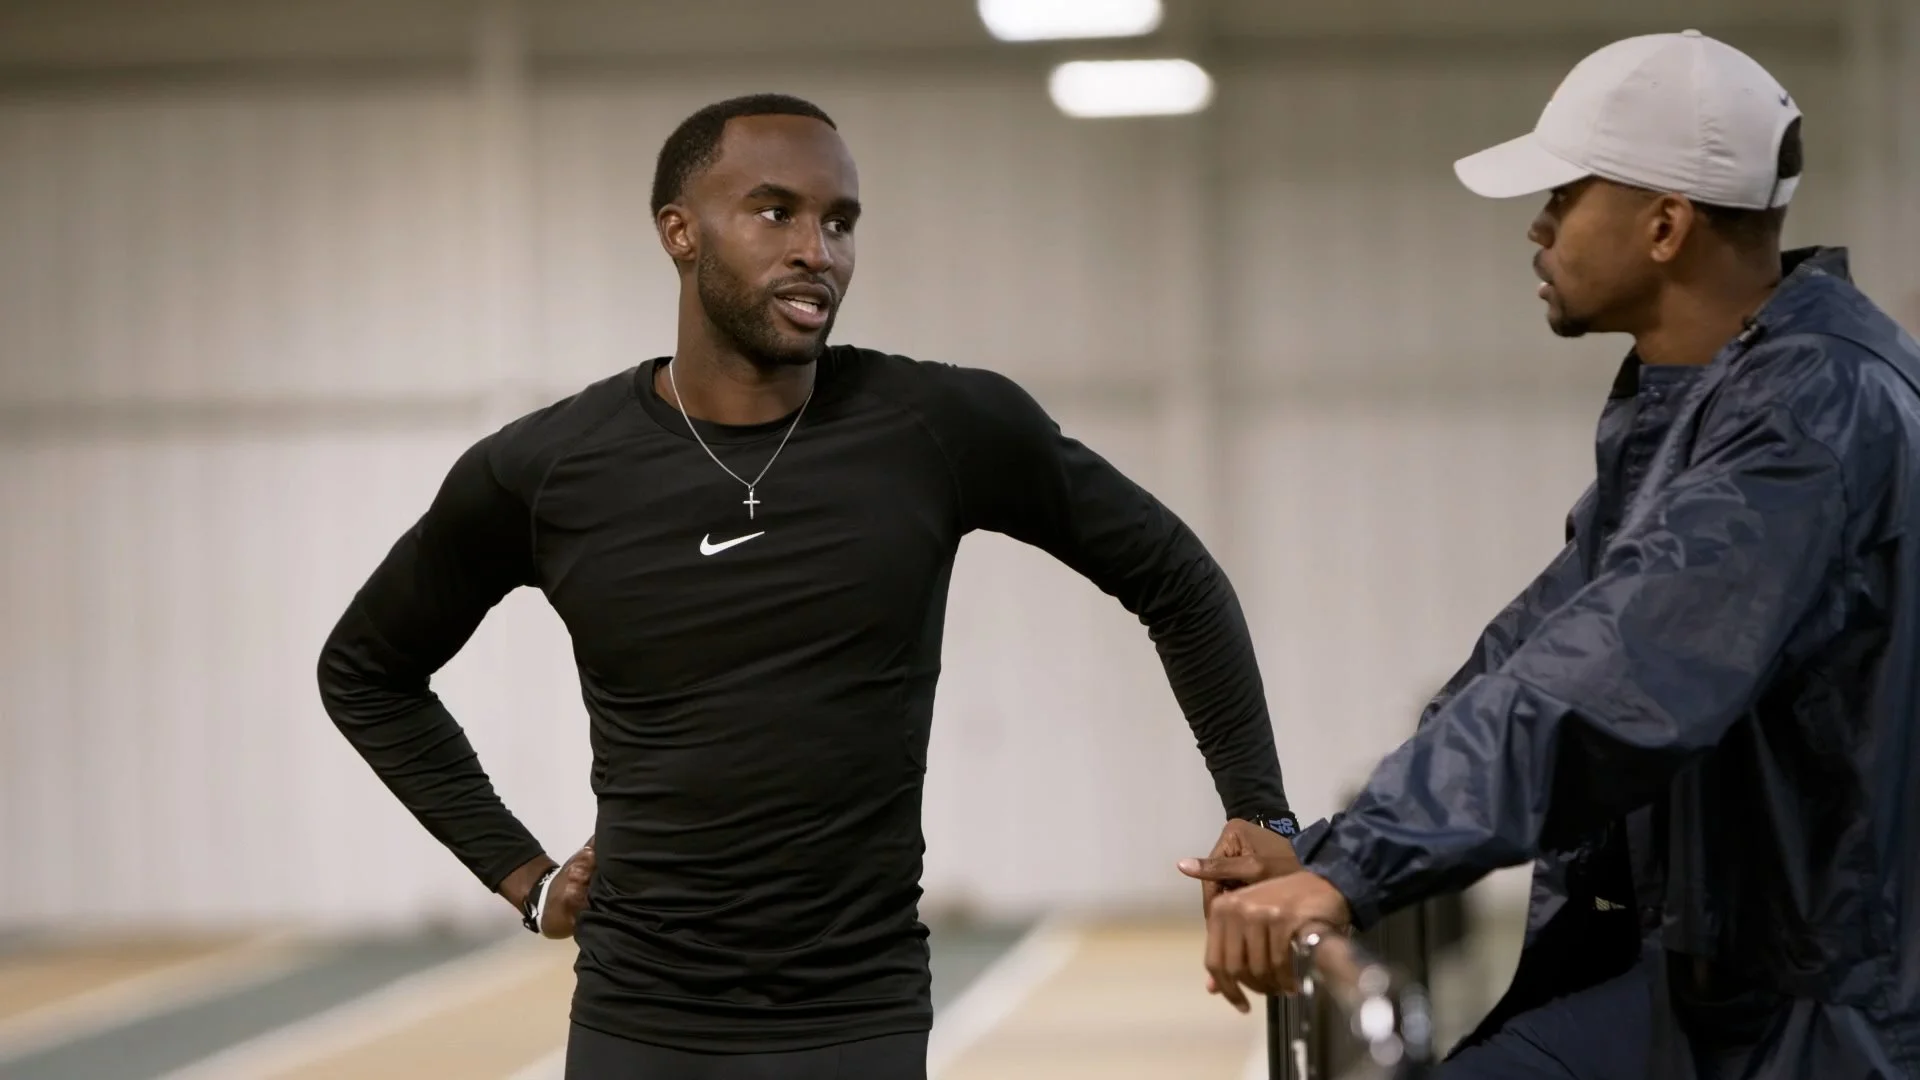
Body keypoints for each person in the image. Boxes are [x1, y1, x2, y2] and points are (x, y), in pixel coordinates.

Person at [317, 92, 1301, 1079]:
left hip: (857, 1017)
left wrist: (1261, 813)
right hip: (638, 1019)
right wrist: (523, 876)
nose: (816, 250)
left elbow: (1174, 577)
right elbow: (367, 671)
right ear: (680, 233)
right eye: (775, 211)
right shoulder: (548, 470)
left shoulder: (943, 428)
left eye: (839, 222)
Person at [1185, 29, 1920, 1080]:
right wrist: (1335, 851)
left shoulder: (1805, 420)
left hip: (1811, 1018)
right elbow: (1537, 651)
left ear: (1665, 225)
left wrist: (1358, 871)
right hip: (1708, 980)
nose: (1537, 227)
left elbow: (1616, 675)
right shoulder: (1707, 407)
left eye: (1566, 195)